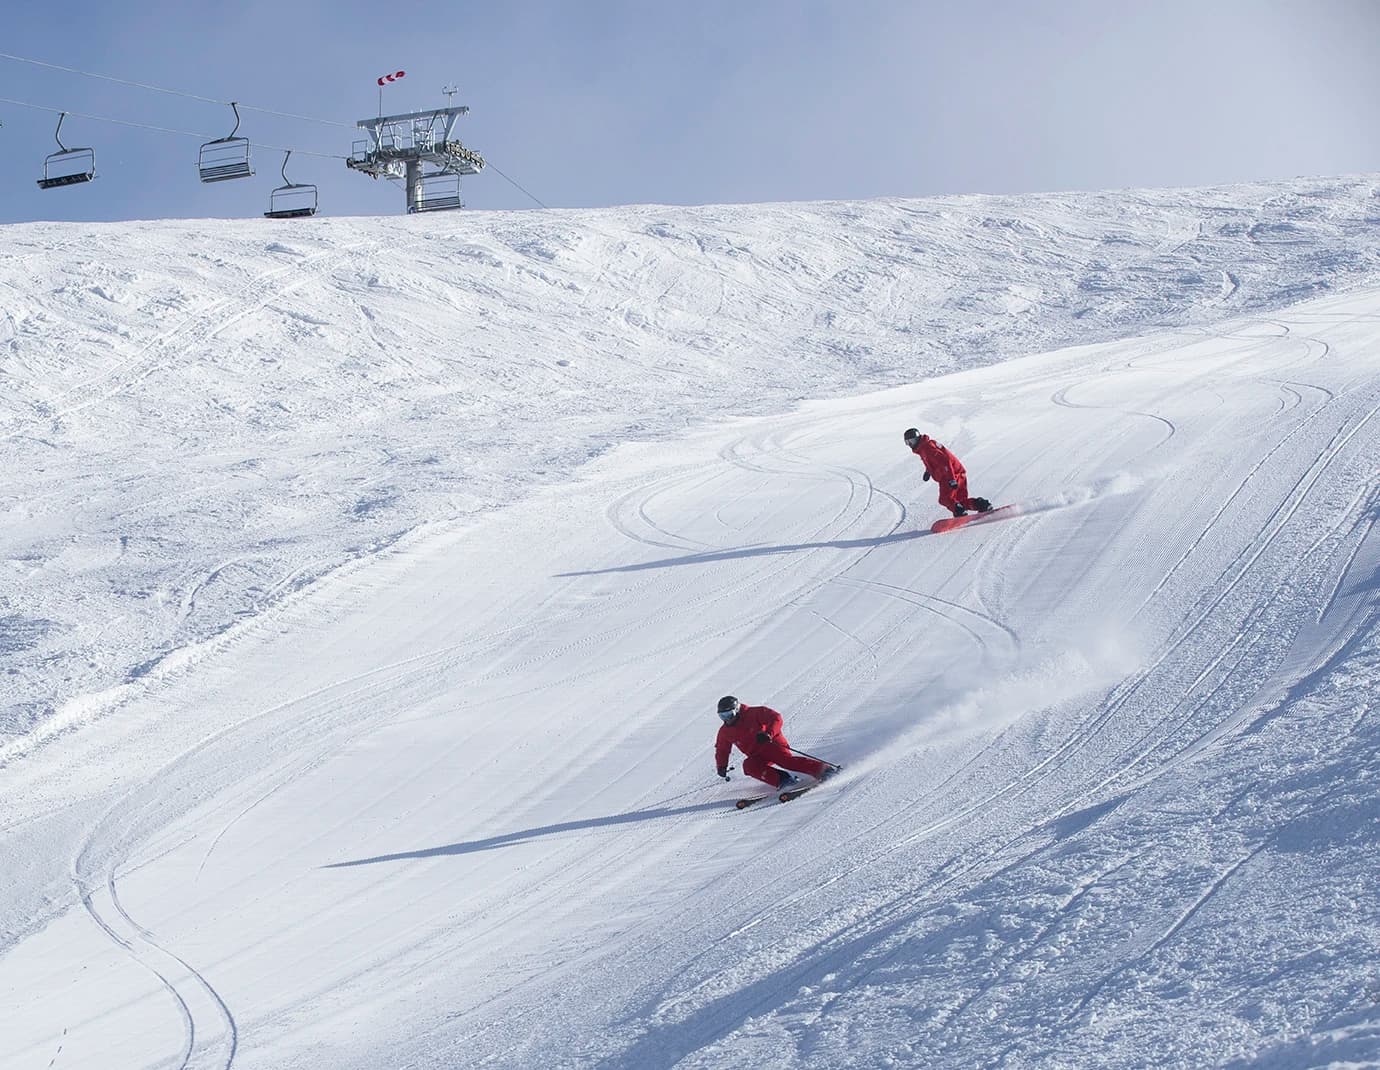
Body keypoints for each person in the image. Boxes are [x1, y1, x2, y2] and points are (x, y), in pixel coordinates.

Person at [714, 696, 837, 789]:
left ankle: (824, 770)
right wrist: (721, 766)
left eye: (729, 714)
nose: (727, 719)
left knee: (787, 762)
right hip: (756, 755)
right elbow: (722, 749)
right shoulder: (725, 731)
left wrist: (768, 734)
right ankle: (784, 780)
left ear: (737, 710)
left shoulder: (754, 713)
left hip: (772, 746)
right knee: (749, 766)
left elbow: (776, 718)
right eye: (722, 716)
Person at [903, 428, 992, 517]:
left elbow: (945, 461)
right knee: (960, 500)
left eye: (911, 441)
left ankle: (959, 512)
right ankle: (982, 505)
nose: (910, 445)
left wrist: (951, 479)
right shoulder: (925, 446)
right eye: (907, 443)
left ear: (916, 439)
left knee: (945, 499)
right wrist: (928, 471)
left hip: (948, 475)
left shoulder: (927, 448)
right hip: (958, 472)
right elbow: (934, 461)